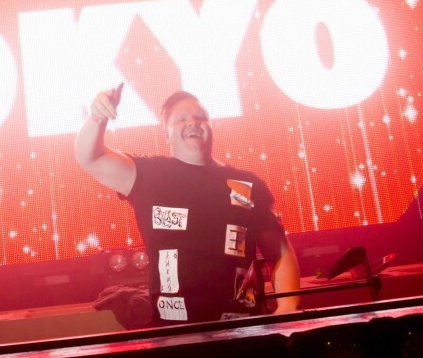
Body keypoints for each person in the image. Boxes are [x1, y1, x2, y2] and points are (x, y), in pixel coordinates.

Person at [75, 86, 301, 325]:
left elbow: (280, 252)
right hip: (175, 333)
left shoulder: (246, 184)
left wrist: (288, 304)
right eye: (181, 119)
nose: (193, 122)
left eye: (200, 117)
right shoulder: (150, 176)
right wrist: (97, 116)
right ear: (166, 133)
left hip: (244, 329)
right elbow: (91, 157)